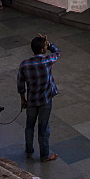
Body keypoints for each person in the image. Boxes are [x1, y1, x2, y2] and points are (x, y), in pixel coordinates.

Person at [17, 34, 60, 162]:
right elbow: (58, 52)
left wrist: (23, 99)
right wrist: (50, 44)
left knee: (29, 126)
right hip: (45, 100)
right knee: (43, 128)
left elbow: (20, 84)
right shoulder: (47, 61)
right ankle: (44, 155)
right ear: (42, 50)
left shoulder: (24, 64)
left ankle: (29, 151)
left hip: (31, 100)